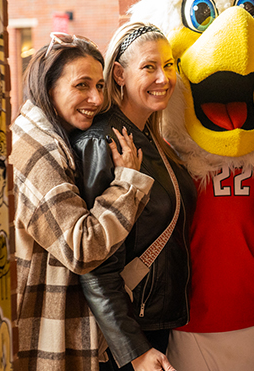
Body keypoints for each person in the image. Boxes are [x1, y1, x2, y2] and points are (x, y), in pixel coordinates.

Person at [12, 33, 154, 371]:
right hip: (45, 334)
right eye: (81, 86)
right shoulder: (38, 150)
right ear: (48, 88)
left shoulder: (52, 136)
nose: (96, 98)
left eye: (100, 86)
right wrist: (128, 183)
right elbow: (81, 246)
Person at [71, 22, 196, 371]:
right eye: (149, 67)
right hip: (125, 336)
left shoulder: (152, 139)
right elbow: (95, 260)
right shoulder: (103, 143)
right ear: (120, 74)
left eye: (169, 65)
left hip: (153, 323)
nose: (163, 77)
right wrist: (134, 348)